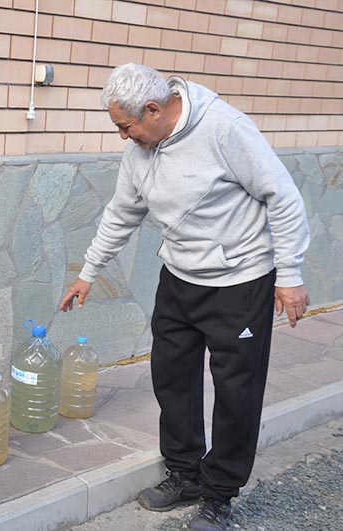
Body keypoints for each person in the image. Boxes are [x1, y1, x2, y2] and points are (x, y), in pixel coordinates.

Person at [58, 63, 310, 531]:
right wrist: (88, 272)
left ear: (153, 110)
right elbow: (122, 212)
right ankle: (185, 474)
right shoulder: (141, 149)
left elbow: (283, 196)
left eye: (125, 126)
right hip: (179, 277)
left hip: (240, 281)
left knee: (237, 390)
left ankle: (219, 494)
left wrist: (290, 274)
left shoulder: (224, 129)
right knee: (171, 376)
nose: (122, 136)